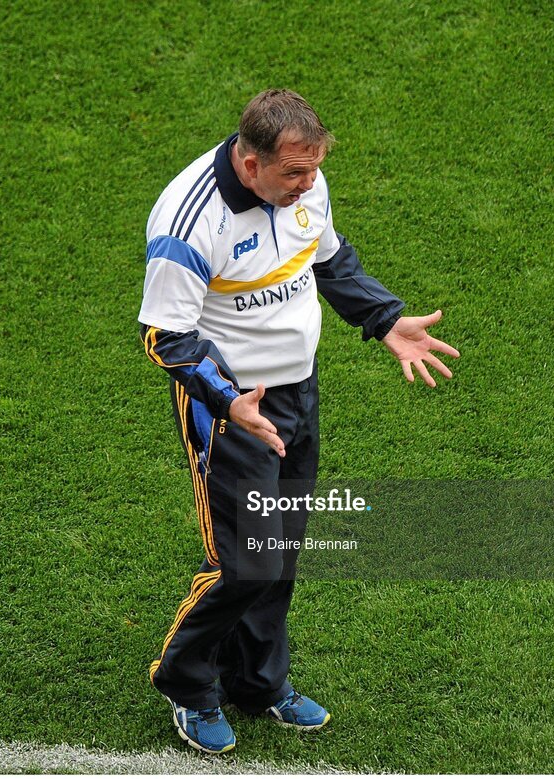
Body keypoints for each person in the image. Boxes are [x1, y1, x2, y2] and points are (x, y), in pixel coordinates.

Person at [138, 89, 460, 754]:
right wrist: (228, 400)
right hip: (230, 409)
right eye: (294, 172)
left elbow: (328, 259)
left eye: (314, 169)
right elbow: (167, 337)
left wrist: (384, 318)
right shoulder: (190, 220)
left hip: (297, 393)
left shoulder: (304, 183)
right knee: (246, 563)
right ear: (250, 164)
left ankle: (259, 684)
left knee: (279, 552)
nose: (308, 183)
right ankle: (186, 680)